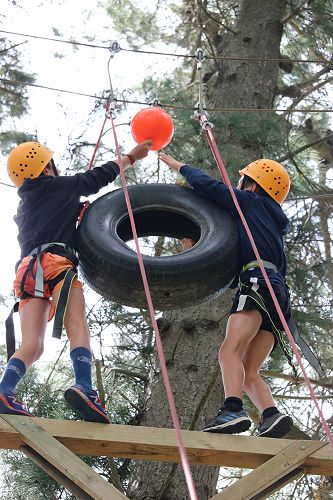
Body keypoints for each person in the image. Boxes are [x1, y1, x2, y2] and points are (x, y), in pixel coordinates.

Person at [0, 139, 152, 423]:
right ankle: (84, 386)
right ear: (46, 167)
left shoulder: (24, 208)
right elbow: (99, 177)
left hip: (27, 271)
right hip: (56, 263)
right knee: (77, 326)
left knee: (32, 345)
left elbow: (52, 219)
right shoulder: (61, 186)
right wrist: (132, 156)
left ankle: (5, 390)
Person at [160, 152, 294, 438]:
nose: (238, 184)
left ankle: (232, 409)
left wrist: (179, 165)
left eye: (242, 181)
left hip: (257, 283)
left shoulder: (250, 202)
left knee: (229, 350)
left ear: (253, 186)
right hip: (277, 297)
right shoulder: (271, 227)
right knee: (249, 370)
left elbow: (213, 189)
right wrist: (193, 250)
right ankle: (270, 414)